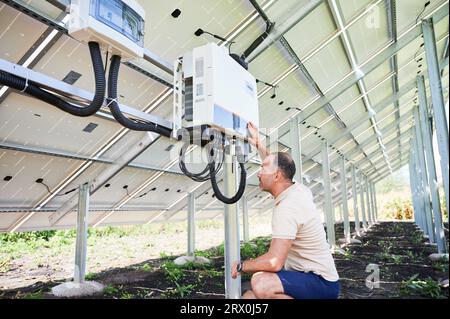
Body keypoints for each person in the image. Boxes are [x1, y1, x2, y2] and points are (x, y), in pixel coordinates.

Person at [231, 122, 340, 299]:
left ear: (276, 176)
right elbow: (276, 164)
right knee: (249, 298)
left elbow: (274, 262)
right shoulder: (297, 189)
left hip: (321, 283)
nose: (258, 173)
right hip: (309, 277)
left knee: (261, 282)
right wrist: (259, 144)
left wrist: (242, 266)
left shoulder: (288, 207)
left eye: (262, 168)